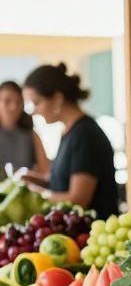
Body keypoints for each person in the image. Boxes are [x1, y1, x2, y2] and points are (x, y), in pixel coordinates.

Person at [20, 64, 118, 218]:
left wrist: (36, 194)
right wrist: (31, 179)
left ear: (57, 98)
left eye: (37, 102)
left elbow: (78, 199)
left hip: (92, 229)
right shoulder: (70, 132)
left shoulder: (85, 135)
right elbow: (61, 182)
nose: (34, 111)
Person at [0, 81, 48, 173]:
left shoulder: (32, 135)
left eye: (18, 102)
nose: (13, 107)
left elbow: (45, 171)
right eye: (7, 101)